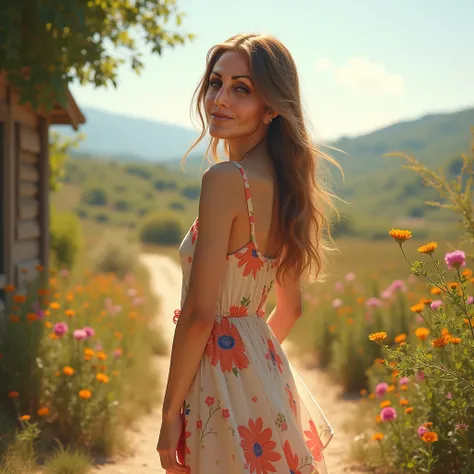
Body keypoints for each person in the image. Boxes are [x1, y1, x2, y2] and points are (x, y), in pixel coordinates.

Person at [157, 33, 340, 474]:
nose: (220, 99)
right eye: (216, 83)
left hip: (219, 381)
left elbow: (201, 314)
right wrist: (251, 365)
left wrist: (168, 416)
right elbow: (290, 309)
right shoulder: (288, 187)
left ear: (272, 107)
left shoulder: (225, 179)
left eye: (242, 89)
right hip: (267, 377)